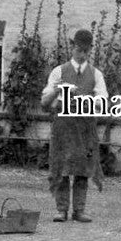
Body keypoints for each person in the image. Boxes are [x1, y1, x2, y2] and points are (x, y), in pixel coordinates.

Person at [41, 29, 107, 223]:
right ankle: (61, 209)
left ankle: (79, 210)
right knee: (62, 167)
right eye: (79, 49)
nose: (82, 54)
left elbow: (103, 102)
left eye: (86, 51)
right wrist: (56, 90)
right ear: (73, 47)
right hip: (63, 126)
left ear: (90, 51)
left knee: (83, 168)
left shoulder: (96, 74)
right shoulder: (59, 71)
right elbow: (45, 103)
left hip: (85, 127)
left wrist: (85, 99)